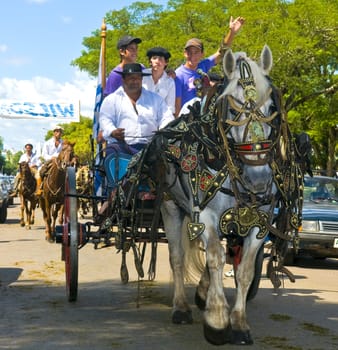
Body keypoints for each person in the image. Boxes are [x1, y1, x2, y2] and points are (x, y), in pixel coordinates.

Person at [174, 16, 245, 116]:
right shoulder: (178, 75)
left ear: (202, 54)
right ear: (185, 54)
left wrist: (232, 32)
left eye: (196, 52)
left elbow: (222, 52)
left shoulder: (203, 65)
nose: (192, 56)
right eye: (189, 52)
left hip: (204, 117)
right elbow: (177, 106)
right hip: (186, 119)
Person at [99, 63, 174, 156]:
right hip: (122, 147)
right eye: (131, 78)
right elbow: (105, 120)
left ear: (142, 79)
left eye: (138, 77)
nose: (135, 81)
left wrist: (163, 132)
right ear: (123, 79)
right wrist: (112, 131)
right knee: (112, 151)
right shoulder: (111, 100)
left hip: (151, 147)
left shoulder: (155, 99)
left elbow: (166, 117)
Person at [142, 47, 176, 115]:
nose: (157, 61)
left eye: (160, 59)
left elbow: (170, 107)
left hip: (160, 118)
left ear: (166, 62)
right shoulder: (142, 76)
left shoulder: (169, 82)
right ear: (150, 61)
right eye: (154, 58)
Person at [39, 125, 64, 190]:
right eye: (57, 131)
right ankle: (41, 187)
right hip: (50, 161)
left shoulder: (63, 143)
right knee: (41, 171)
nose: (59, 133)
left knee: (69, 173)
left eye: (60, 132)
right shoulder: (47, 143)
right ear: (54, 132)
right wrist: (51, 157)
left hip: (60, 162)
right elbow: (44, 154)